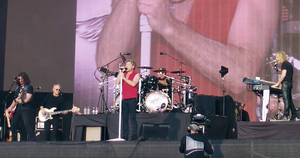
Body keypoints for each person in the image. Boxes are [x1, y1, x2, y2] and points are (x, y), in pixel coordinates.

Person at [271, 51, 299, 121]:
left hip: (286, 84)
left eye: (277, 57)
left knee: (286, 100)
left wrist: (277, 84)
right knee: (289, 100)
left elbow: (283, 75)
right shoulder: (289, 64)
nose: (276, 59)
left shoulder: (284, 64)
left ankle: (285, 116)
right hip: (290, 83)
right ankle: (294, 115)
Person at [6, 72, 35, 141]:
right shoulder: (18, 88)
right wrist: (10, 107)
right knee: (13, 123)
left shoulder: (29, 87)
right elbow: (15, 99)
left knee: (27, 124)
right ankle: (14, 139)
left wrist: (22, 101)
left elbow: (28, 98)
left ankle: (31, 139)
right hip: (17, 108)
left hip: (25, 108)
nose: (21, 80)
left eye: (22, 79)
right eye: (19, 79)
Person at [116, 59, 140, 140]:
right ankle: (124, 136)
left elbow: (133, 84)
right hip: (124, 98)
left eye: (129, 65)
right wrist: (120, 73)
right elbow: (118, 82)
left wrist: (124, 78)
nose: (127, 66)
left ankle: (134, 136)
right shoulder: (124, 74)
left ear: (133, 66)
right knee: (124, 118)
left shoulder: (136, 74)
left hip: (132, 98)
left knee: (133, 118)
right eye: (126, 65)